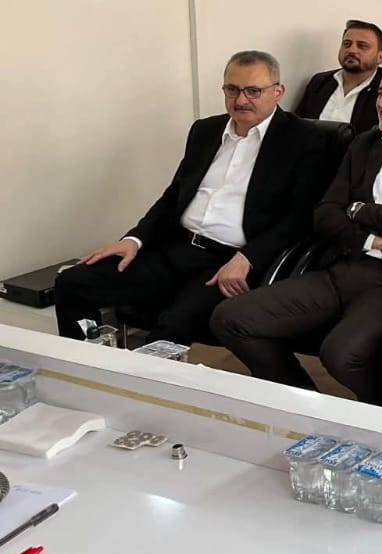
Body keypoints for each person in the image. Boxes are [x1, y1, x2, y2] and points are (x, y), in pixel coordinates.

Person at [210, 63, 382, 403]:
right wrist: (367, 237)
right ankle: (305, 403)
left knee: (341, 354)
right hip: (344, 264)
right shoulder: (366, 144)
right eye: (381, 92)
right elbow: (325, 213)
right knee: (231, 318)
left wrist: (357, 209)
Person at [57, 51, 325, 344]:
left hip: (228, 261)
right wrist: (135, 239)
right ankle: (86, 364)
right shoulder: (205, 130)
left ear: (278, 91)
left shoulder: (304, 139)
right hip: (174, 248)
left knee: (171, 329)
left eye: (253, 91)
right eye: (232, 89)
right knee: (73, 282)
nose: (241, 100)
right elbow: (174, 196)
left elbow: (299, 219)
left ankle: (143, 376)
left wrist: (248, 258)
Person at [294, 19, 382, 133]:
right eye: (347, 44)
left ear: (380, 57)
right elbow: (297, 125)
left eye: (362, 46)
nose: (352, 50)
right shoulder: (321, 82)